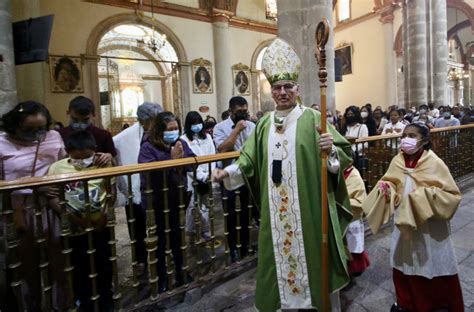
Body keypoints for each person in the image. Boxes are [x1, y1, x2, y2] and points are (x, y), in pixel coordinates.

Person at [212, 38, 353, 311]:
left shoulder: (313, 119)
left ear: (297, 89)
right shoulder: (263, 124)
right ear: (272, 92)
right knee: (278, 261)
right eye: (277, 88)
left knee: (313, 260)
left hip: (308, 210)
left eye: (288, 86)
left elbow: (343, 156)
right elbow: (249, 160)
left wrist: (330, 149)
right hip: (275, 212)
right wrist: (227, 172)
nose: (283, 92)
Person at [361, 123, 464, 312]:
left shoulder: (434, 163)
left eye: (412, 136)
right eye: (404, 135)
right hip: (403, 222)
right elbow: (390, 181)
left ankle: (433, 304)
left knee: (429, 263)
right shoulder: (397, 161)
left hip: (428, 227)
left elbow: (451, 196)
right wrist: (387, 189)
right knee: (404, 262)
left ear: (424, 141)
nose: (406, 139)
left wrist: (424, 197)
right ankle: (405, 302)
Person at [1, 101, 68, 310]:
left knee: (59, 262)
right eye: (29, 129)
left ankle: (61, 305)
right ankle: (29, 305)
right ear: (15, 124)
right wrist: (33, 187)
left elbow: (63, 164)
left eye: (41, 128)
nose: (37, 134)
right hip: (19, 208)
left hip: (52, 205)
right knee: (25, 266)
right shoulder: (2, 143)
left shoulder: (54, 137)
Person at [48, 131, 116, 311]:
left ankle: (106, 297)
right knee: (78, 266)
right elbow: (52, 196)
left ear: (94, 150)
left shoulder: (102, 163)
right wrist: (69, 216)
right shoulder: (57, 168)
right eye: (77, 158)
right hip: (72, 228)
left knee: (104, 262)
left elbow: (111, 190)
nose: (82, 161)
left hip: (100, 225)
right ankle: (84, 300)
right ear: (68, 152)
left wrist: (105, 213)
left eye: (86, 157)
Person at [138, 112, 193, 292]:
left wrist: (183, 160)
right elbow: (150, 173)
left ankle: (181, 271)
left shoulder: (180, 142)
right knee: (159, 241)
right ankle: (160, 278)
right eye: (170, 129)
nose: (174, 132)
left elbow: (193, 162)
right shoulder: (148, 147)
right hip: (157, 201)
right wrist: (174, 160)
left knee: (178, 239)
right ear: (160, 130)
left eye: (176, 128)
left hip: (176, 197)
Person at [113, 102, 163, 268]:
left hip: (157, 187)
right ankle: (141, 259)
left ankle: (161, 256)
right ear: (143, 121)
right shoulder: (123, 138)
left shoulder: (163, 133)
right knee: (137, 227)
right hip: (134, 188)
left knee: (161, 225)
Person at [213, 96, 256, 262]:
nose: (243, 114)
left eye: (245, 111)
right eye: (239, 112)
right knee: (230, 214)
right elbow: (223, 149)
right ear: (231, 111)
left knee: (246, 213)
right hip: (228, 176)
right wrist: (236, 130)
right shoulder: (220, 127)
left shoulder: (251, 126)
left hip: (247, 175)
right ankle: (232, 249)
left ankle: (245, 247)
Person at [181, 111, 216, 241]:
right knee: (192, 206)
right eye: (194, 124)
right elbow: (188, 162)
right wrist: (200, 176)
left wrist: (209, 174)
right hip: (192, 178)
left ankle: (205, 231)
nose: (197, 126)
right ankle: (191, 231)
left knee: (205, 206)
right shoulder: (184, 139)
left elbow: (213, 156)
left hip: (207, 175)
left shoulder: (207, 137)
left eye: (199, 123)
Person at [57, 96, 116, 167]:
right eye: (75, 119)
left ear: (94, 116)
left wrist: (108, 157)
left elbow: (115, 162)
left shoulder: (104, 135)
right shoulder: (58, 134)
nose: (79, 124)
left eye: (85, 120)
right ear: (67, 113)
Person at [344, 161, 370, 277]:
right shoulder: (340, 173)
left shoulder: (354, 175)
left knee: (353, 246)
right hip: (341, 216)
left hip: (352, 219)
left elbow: (361, 202)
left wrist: (342, 202)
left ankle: (356, 268)